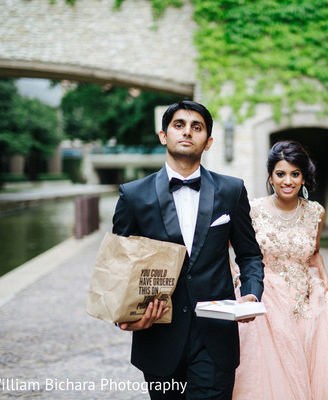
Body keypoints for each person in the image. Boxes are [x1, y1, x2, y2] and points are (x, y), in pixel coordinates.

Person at [112, 100, 264, 399]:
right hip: (157, 333)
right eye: (179, 125)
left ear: (207, 142)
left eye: (197, 127)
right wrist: (124, 316)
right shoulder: (133, 195)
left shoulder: (232, 190)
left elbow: (249, 254)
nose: (187, 132)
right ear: (163, 135)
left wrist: (250, 292)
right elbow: (120, 266)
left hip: (215, 336)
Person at [231, 140, 328, 399]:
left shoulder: (316, 212)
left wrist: (325, 280)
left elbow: (313, 253)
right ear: (270, 176)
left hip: (305, 302)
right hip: (266, 301)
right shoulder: (253, 210)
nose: (287, 181)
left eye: (295, 174)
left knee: (316, 373)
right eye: (280, 174)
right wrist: (238, 279)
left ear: (303, 177)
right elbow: (239, 253)